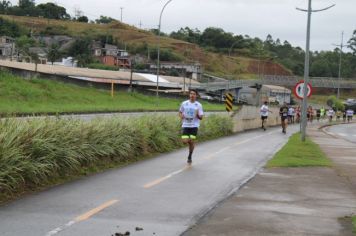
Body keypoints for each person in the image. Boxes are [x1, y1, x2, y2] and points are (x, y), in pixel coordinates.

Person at [179, 89, 204, 165]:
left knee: (191, 142)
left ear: (196, 96)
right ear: (189, 95)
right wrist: (181, 116)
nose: (192, 95)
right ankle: (191, 142)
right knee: (184, 141)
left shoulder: (198, 105)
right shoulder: (184, 103)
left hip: (194, 126)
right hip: (186, 125)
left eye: (193, 94)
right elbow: (180, 112)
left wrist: (197, 115)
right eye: (191, 94)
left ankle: (190, 156)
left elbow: (201, 117)